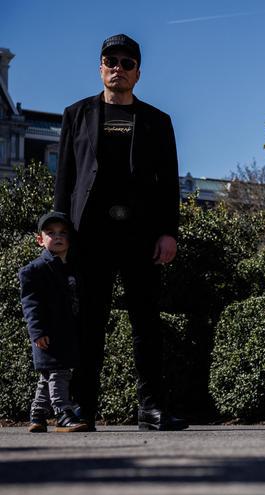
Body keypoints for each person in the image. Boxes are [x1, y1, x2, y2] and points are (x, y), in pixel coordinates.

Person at [54, 34, 187, 431]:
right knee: (88, 324)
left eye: (127, 63)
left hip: (141, 235)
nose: (118, 67)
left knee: (146, 324)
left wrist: (168, 232)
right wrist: (57, 231)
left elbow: (168, 184)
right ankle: (82, 408)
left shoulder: (157, 121)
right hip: (88, 234)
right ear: (100, 68)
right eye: (111, 60)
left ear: (138, 73)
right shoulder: (75, 115)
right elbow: (65, 178)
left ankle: (150, 408)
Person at [19, 212, 88, 433]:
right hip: (47, 333)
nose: (57, 237)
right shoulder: (34, 270)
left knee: (47, 375)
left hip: (67, 332)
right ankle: (63, 413)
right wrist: (37, 332)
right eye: (50, 233)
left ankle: (37, 416)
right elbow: (31, 304)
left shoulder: (75, 267)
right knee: (59, 373)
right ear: (40, 239)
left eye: (62, 233)